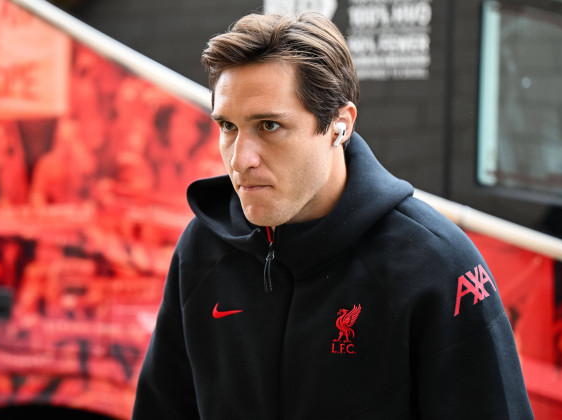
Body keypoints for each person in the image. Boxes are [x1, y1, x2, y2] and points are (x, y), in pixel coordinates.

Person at [132, 12, 533, 419]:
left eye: (269, 125)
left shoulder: (437, 264)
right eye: (228, 126)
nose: (240, 160)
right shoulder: (202, 248)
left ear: (339, 126)